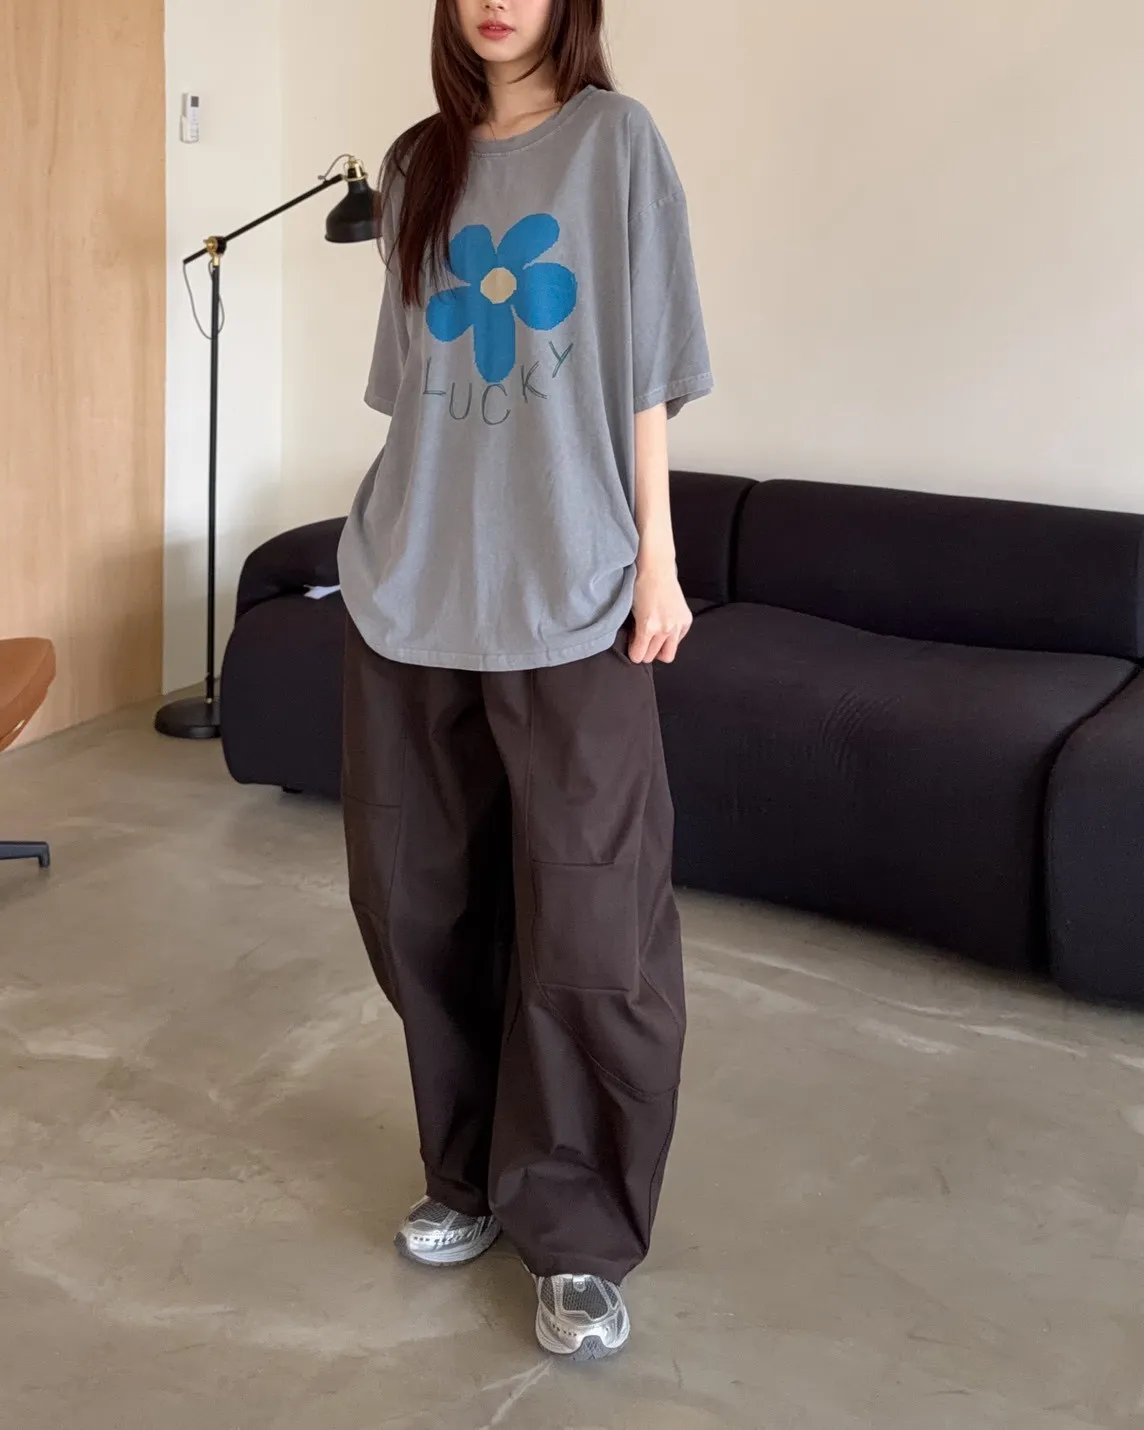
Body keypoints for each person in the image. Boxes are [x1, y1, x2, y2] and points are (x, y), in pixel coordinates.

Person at [337, 0, 713, 1362]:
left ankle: (581, 1234)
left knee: (593, 924)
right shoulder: (416, 162)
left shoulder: (617, 143)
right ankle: (466, 1175)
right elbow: (415, 391)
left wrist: (656, 556)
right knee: (418, 902)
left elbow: (646, 369)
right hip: (413, 586)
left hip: (573, 592)